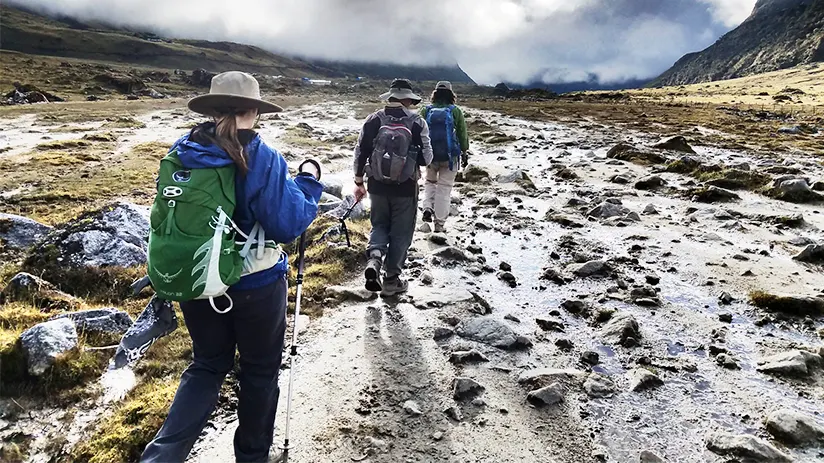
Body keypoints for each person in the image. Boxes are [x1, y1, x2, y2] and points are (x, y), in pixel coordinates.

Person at [140, 71, 323, 463]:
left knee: (207, 366)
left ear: (211, 108)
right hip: (255, 286)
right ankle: (252, 458)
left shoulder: (183, 149)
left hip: (197, 280)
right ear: (253, 111)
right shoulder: (260, 156)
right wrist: (309, 183)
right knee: (258, 372)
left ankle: (160, 458)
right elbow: (287, 224)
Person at [354, 78, 433, 296]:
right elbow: (427, 158)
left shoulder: (373, 119)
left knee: (379, 224)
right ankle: (391, 281)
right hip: (405, 188)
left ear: (389, 97)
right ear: (408, 99)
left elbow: (360, 152)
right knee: (401, 233)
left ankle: (375, 259)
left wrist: (359, 181)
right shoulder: (418, 123)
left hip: (377, 185)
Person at [419, 81, 470, 233]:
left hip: (430, 156)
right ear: (450, 94)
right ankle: (439, 225)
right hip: (450, 157)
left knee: (429, 183)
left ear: (435, 94)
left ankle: (427, 207)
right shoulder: (455, 111)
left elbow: (418, 132)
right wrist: (465, 151)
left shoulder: (425, 110)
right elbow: (462, 133)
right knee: (444, 188)